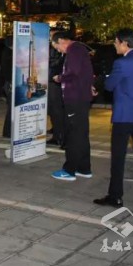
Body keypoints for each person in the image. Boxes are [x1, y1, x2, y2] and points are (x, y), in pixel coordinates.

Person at [94, 28, 133, 210]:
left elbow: (109, 85)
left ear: (124, 43)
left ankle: (115, 196)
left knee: (118, 157)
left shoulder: (122, 63)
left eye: (116, 42)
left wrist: (103, 80)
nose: (114, 45)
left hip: (124, 115)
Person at [50, 31, 94, 182]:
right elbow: (86, 73)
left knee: (73, 134)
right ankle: (84, 168)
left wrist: (59, 78)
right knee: (81, 133)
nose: (58, 51)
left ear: (62, 41)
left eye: (57, 47)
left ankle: (69, 170)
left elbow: (72, 73)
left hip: (75, 98)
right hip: (80, 97)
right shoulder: (80, 49)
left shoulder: (74, 50)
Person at [46, 38, 66, 148]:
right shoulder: (57, 51)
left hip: (55, 83)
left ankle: (59, 137)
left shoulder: (61, 52)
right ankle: (58, 135)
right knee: (54, 112)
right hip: (53, 82)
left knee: (56, 111)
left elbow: (55, 65)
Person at [0, 36, 13, 138]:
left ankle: (8, 131)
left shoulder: (7, 53)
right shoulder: (9, 54)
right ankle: (8, 131)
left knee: (11, 107)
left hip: (8, 83)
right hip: (10, 83)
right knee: (11, 108)